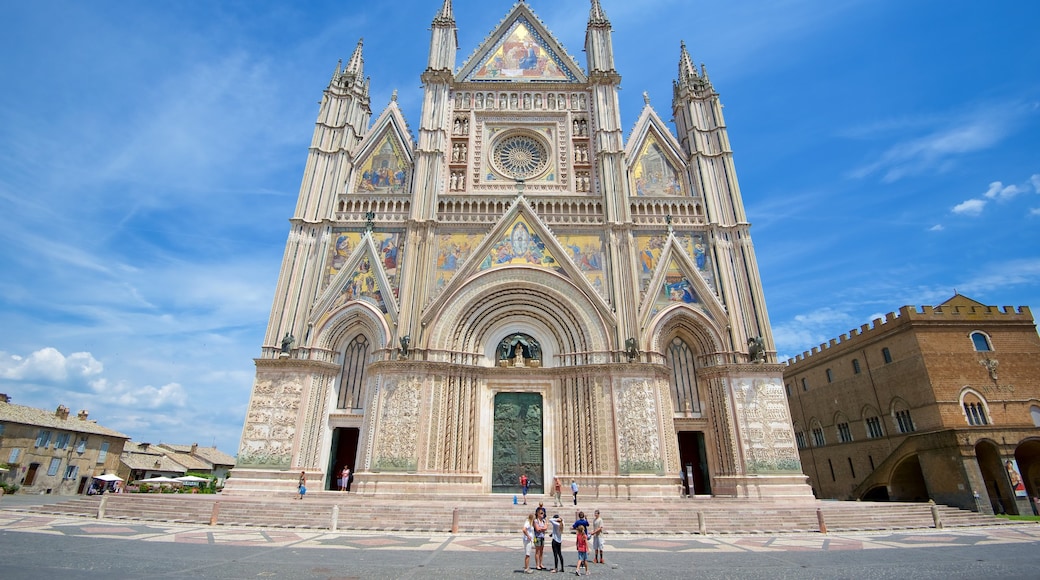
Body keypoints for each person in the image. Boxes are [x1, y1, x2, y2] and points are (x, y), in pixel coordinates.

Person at [533, 506, 549, 571]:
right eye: (541, 513)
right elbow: (537, 529)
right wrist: (542, 529)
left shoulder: (543, 521)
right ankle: (537, 565)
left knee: (542, 551)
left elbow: (545, 528)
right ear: (538, 514)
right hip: (537, 537)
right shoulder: (536, 521)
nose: (543, 514)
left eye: (543, 513)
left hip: (542, 536)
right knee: (537, 551)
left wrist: (541, 529)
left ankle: (541, 563)